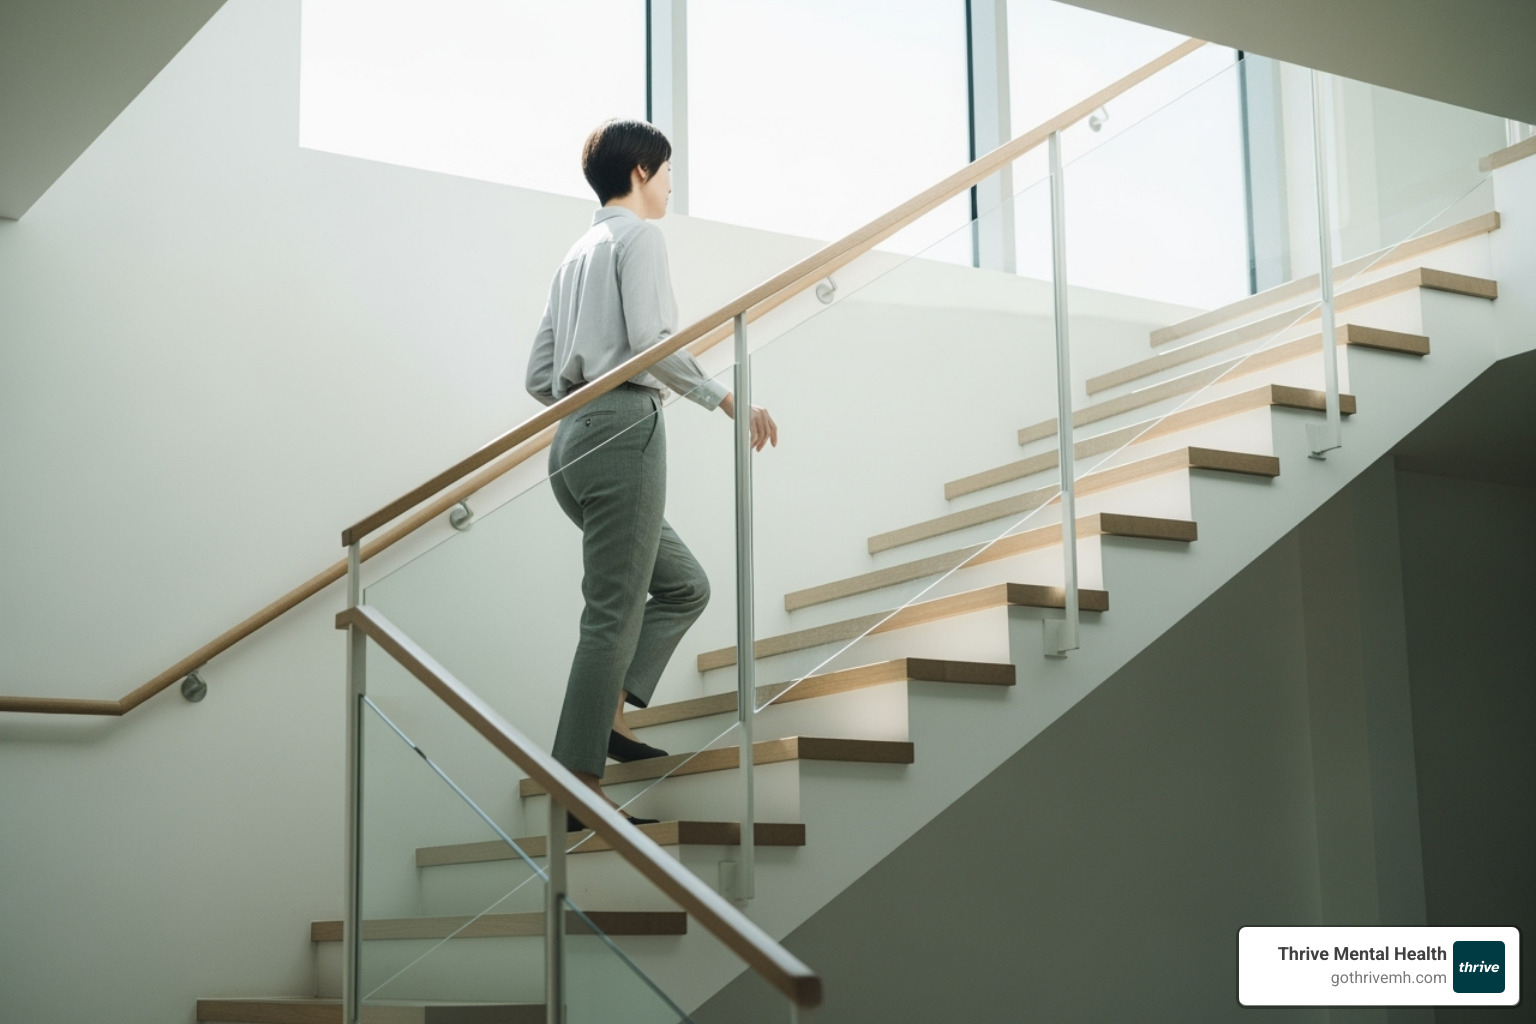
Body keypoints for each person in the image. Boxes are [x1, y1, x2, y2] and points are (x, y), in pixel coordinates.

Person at [526, 118, 777, 829]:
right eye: (667, 171)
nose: (671, 184)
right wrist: (724, 396)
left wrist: (586, 403)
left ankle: (608, 721)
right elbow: (649, 344)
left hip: (571, 443)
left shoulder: (575, 253)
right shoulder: (639, 237)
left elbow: (539, 374)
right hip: (623, 433)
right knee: (611, 612)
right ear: (639, 172)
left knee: (682, 586)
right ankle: (578, 789)